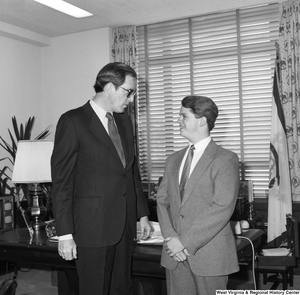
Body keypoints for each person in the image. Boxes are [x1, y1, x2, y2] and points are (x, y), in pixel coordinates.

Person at [51, 62, 151, 295]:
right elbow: (62, 182)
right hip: (91, 228)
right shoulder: (73, 121)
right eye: (129, 91)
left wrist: (142, 213)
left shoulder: (125, 122)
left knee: (121, 288)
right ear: (109, 87)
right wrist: (65, 234)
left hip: (124, 225)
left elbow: (131, 171)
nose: (132, 99)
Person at [156, 95, 240, 295]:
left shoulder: (225, 159)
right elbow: (162, 201)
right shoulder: (173, 160)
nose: (178, 120)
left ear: (202, 120)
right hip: (174, 255)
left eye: (183, 116)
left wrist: (184, 242)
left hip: (209, 255)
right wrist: (171, 240)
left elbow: (222, 207)